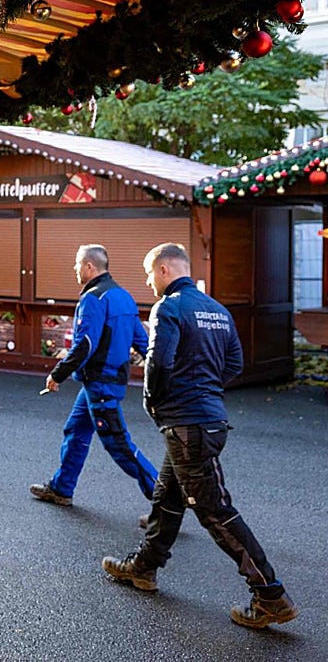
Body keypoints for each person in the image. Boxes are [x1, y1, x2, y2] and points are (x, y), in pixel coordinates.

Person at [102, 243, 298, 629]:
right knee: (168, 496)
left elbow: (159, 363)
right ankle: (143, 567)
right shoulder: (218, 310)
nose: (148, 282)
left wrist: (154, 402)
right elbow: (234, 364)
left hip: (186, 425)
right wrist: (204, 389)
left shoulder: (168, 307)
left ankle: (270, 595)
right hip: (208, 421)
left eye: (148, 274)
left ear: (163, 270)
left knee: (214, 511)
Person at [30, 244, 157, 508]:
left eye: (77, 264)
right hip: (102, 382)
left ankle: (164, 498)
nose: (75, 269)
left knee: (118, 445)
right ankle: (61, 489)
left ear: (89, 266)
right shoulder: (123, 296)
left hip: (100, 385)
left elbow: (85, 344)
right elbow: (143, 342)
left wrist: (58, 374)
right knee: (76, 430)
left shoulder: (93, 298)